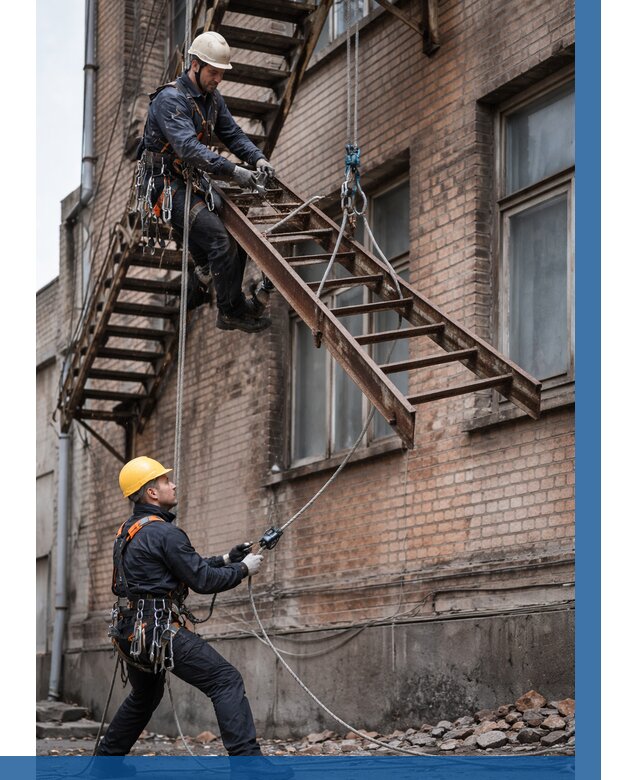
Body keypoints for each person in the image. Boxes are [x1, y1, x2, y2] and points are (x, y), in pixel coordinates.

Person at [96, 455, 266, 757]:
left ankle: (104, 765)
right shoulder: (165, 532)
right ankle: (249, 768)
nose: (172, 484)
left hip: (131, 632)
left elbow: (182, 568)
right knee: (224, 680)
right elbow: (202, 580)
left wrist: (228, 559)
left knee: (145, 696)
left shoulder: (128, 531)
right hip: (157, 629)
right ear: (151, 492)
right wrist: (244, 570)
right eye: (165, 481)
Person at [139, 31, 275, 333]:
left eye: (221, 74)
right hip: (164, 186)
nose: (218, 79)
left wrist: (257, 159)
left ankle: (216, 289)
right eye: (213, 72)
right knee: (218, 239)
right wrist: (236, 172)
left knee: (236, 238)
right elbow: (188, 147)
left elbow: (233, 134)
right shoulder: (170, 100)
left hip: (188, 181)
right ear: (195, 65)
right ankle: (230, 311)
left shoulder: (212, 100)